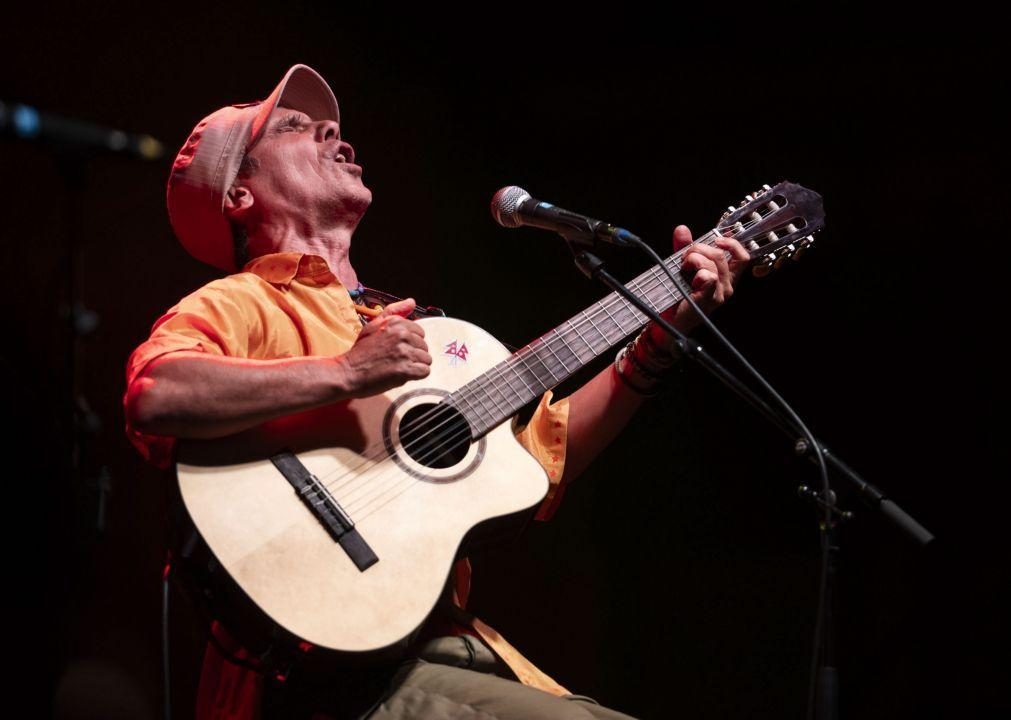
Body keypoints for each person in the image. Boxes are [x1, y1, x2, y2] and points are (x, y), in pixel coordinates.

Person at [123, 64, 749, 720]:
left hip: (445, 654)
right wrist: (347, 374)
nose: (332, 130)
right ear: (239, 196)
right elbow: (157, 393)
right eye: (294, 127)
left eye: (326, 123)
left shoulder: (417, 331)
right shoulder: (243, 300)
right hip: (330, 681)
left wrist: (662, 333)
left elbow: (543, 461)